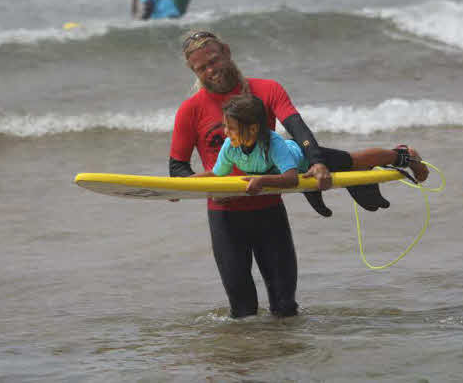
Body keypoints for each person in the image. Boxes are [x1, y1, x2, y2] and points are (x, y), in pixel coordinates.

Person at [169, 30, 428, 318]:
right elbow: (177, 167)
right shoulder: (190, 110)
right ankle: (249, 360)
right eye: (201, 68)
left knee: (285, 307)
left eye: (214, 60)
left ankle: (401, 155)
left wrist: (316, 161)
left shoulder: (266, 89)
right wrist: (185, 188)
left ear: (226, 52)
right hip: (225, 215)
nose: (210, 70)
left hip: (269, 209)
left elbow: (297, 128)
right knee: (241, 312)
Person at [194, 94, 429, 198]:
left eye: (231, 128)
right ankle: (399, 156)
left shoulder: (271, 142)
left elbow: (292, 178)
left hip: (306, 159)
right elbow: (216, 174)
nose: (226, 133)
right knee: (356, 166)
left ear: (253, 129)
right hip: (288, 170)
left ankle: (403, 155)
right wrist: (182, 184)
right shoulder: (230, 146)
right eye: (225, 127)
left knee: (355, 160)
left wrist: (262, 181)